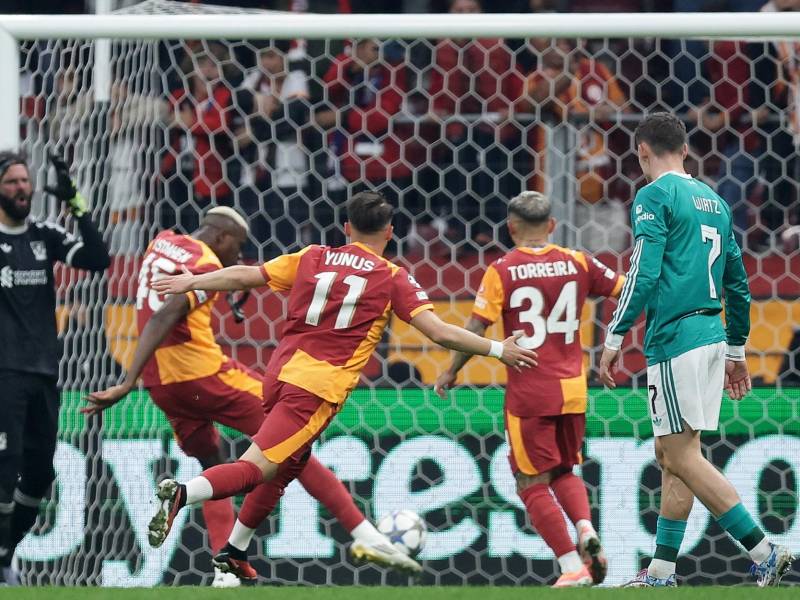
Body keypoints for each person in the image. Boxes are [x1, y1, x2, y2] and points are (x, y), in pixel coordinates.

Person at [145, 191, 537, 581]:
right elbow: (438, 331)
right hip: (315, 388)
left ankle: (234, 550)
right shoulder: (391, 276)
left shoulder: (313, 256)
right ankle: (183, 493)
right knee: (257, 468)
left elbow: (249, 275)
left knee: (288, 466)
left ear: (346, 228)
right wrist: (497, 349)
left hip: (279, 375)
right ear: (390, 231)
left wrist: (192, 281)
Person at [84, 207, 414, 585]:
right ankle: (363, 532)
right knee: (293, 445)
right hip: (206, 377)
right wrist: (126, 380)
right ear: (223, 237)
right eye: (237, 247)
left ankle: (225, 570)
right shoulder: (205, 261)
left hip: (163, 386)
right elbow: (169, 312)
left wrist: (139, 377)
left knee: (215, 461)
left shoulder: (163, 242)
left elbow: (165, 301)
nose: (237, 257)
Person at [599, 113, 794, 587]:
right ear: (685, 150)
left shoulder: (654, 195)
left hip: (675, 339)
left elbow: (643, 272)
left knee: (682, 456)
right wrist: (736, 349)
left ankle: (764, 549)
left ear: (641, 151)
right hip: (710, 334)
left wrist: (613, 336)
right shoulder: (714, 201)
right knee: (674, 455)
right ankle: (662, 572)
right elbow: (739, 284)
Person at [434, 191, 624, 588]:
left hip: (529, 392)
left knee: (530, 481)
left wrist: (451, 370)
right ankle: (586, 527)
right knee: (565, 469)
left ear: (511, 227)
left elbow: (477, 328)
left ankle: (572, 566)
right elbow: (625, 290)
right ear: (552, 225)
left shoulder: (502, 269)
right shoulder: (579, 262)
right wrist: (616, 342)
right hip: (573, 388)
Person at [0, 150, 110, 585]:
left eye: (25, 181)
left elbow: (98, 260)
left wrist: (76, 203)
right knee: (4, 470)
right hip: (3, 373)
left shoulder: (44, 235)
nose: (21, 189)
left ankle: (5, 551)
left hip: (45, 372)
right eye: (11, 182)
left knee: (41, 471)